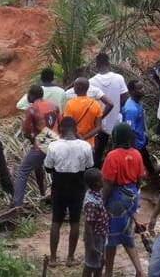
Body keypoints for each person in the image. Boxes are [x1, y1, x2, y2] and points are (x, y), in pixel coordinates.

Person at [44, 117, 94, 267]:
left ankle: (53, 258)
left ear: (60, 129)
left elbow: (48, 168)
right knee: (75, 222)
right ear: (76, 129)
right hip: (77, 187)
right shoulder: (85, 146)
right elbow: (89, 168)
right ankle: (70, 258)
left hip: (59, 186)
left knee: (56, 221)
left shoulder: (53, 146)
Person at [101, 124, 146, 277]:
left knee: (112, 236)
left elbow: (107, 183)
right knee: (127, 234)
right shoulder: (137, 154)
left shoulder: (112, 156)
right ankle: (139, 270)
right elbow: (140, 179)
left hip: (116, 198)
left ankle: (108, 272)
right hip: (132, 195)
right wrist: (133, 194)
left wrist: (103, 202)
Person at [12, 85, 61, 207]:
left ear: (32, 95)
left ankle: (16, 204)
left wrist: (33, 139)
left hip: (42, 143)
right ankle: (60, 205)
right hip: (57, 143)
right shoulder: (54, 106)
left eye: (28, 94)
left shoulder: (32, 109)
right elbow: (61, 124)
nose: (27, 97)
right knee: (57, 173)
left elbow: (26, 130)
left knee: (23, 172)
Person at [89, 53, 129, 168]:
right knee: (120, 149)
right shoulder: (119, 78)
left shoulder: (92, 81)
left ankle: (96, 175)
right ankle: (120, 170)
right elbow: (124, 97)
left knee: (98, 151)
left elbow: (91, 104)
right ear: (108, 63)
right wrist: (118, 110)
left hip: (100, 122)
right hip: (117, 120)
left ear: (96, 65)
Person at [122, 80, 157, 177]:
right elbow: (129, 130)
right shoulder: (131, 109)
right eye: (140, 88)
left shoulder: (137, 103)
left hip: (140, 140)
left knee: (146, 160)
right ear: (133, 91)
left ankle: (152, 175)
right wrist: (132, 149)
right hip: (135, 143)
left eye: (143, 87)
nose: (143, 90)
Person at [82, 168, 109, 277]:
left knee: (100, 262)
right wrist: (91, 245)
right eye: (102, 178)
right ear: (98, 183)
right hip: (95, 237)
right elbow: (88, 225)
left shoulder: (96, 194)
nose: (104, 179)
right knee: (90, 264)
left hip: (101, 234)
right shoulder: (91, 203)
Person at [64, 78, 103, 147]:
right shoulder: (95, 104)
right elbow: (99, 127)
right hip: (90, 143)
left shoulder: (70, 104)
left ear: (76, 88)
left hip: (74, 141)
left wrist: (79, 137)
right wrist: (84, 138)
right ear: (87, 88)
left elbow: (68, 125)